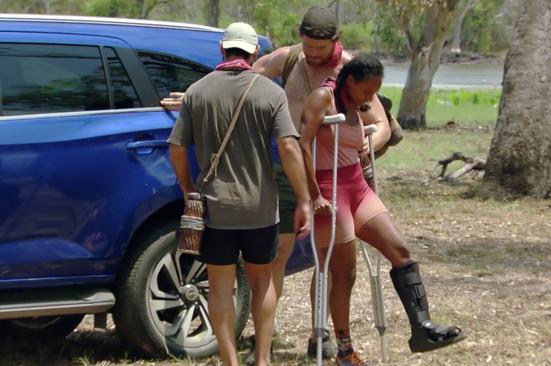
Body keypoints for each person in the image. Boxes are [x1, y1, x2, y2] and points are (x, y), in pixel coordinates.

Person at [161, 6, 392, 360]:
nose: (313, 55)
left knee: (328, 260)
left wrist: (368, 145)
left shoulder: (351, 68)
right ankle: (263, 347)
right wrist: (193, 94)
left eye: (320, 49)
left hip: (333, 174)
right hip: (288, 173)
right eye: (308, 47)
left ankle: (319, 333)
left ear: (336, 41)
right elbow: (238, 82)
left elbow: (382, 123)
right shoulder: (285, 62)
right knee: (274, 263)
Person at [299, 54, 465, 366]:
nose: (370, 98)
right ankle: (344, 349)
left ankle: (422, 328)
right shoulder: (322, 97)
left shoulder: (355, 103)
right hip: (329, 188)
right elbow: (301, 145)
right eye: (367, 91)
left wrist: (365, 143)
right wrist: (313, 194)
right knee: (344, 273)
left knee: (400, 251)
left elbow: (375, 128)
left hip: (356, 186)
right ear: (351, 81)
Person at [167, 22, 311, 366]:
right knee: (262, 281)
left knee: (220, 286)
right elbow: (289, 148)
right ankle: (262, 359)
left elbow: (175, 146)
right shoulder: (270, 93)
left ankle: (230, 361)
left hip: (214, 208)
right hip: (260, 208)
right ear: (255, 53)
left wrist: (188, 187)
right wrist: (304, 198)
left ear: (222, 49)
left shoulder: (198, 91)